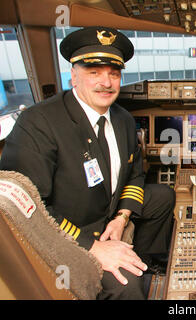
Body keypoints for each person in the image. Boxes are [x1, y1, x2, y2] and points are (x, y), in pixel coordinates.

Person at [0, 26, 175, 299]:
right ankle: (133, 273)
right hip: (69, 228)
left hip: (107, 208)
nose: (106, 83)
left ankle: (148, 260)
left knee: (163, 196)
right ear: (74, 75)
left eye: (113, 74)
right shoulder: (39, 123)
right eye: (94, 72)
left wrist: (121, 218)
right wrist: (94, 248)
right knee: (129, 286)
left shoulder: (123, 120)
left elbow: (134, 176)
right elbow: (29, 210)